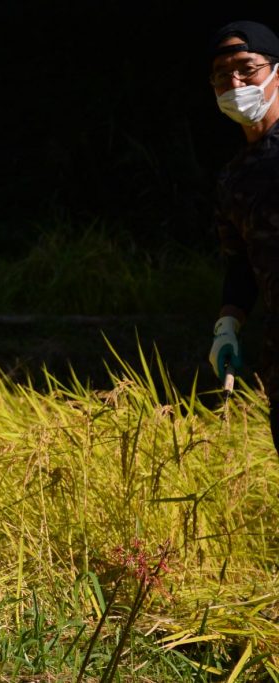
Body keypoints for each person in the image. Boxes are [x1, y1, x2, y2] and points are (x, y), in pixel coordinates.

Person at [207, 21, 279, 454]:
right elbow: (241, 263)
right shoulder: (235, 177)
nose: (234, 81)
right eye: (221, 74)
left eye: (246, 68)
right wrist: (227, 325)